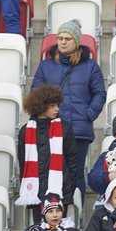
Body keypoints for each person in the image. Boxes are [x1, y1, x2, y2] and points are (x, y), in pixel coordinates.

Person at [32, 19, 107, 196]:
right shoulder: (46, 66)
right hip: (50, 128)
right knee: (50, 173)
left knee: (75, 174)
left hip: (78, 130)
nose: (63, 42)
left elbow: (100, 94)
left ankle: (76, 216)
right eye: (60, 38)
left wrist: (89, 114)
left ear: (77, 42)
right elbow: (35, 92)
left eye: (68, 38)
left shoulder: (90, 67)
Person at [16, 84, 78, 219]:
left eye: (57, 105)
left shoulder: (65, 128)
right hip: (36, 192)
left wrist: (69, 187)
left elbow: (73, 161)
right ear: (40, 106)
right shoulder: (25, 131)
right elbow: (23, 164)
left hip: (61, 190)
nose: (57, 109)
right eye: (52, 106)